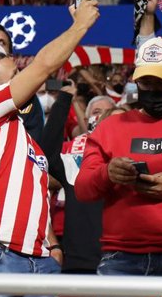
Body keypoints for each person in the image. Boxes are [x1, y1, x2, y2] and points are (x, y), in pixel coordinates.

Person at [0, 0, 100, 297]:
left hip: (40, 261)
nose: (23, 72)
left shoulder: (23, 137)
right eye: (14, 69)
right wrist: (80, 26)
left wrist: (53, 245)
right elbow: (43, 65)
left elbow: (34, 197)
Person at [75, 37, 162, 297]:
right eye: (147, 83)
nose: (154, 90)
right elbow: (83, 189)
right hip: (120, 260)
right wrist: (108, 174)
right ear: (135, 81)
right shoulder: (111, 127)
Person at [41, 90, 116, 274]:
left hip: (123, 263)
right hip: (81, 262)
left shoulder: (138, 161)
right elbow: (46, 155)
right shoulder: (74, 163)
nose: (103, 119)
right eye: (98, 112)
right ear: (87, 118)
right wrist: (64, 100)